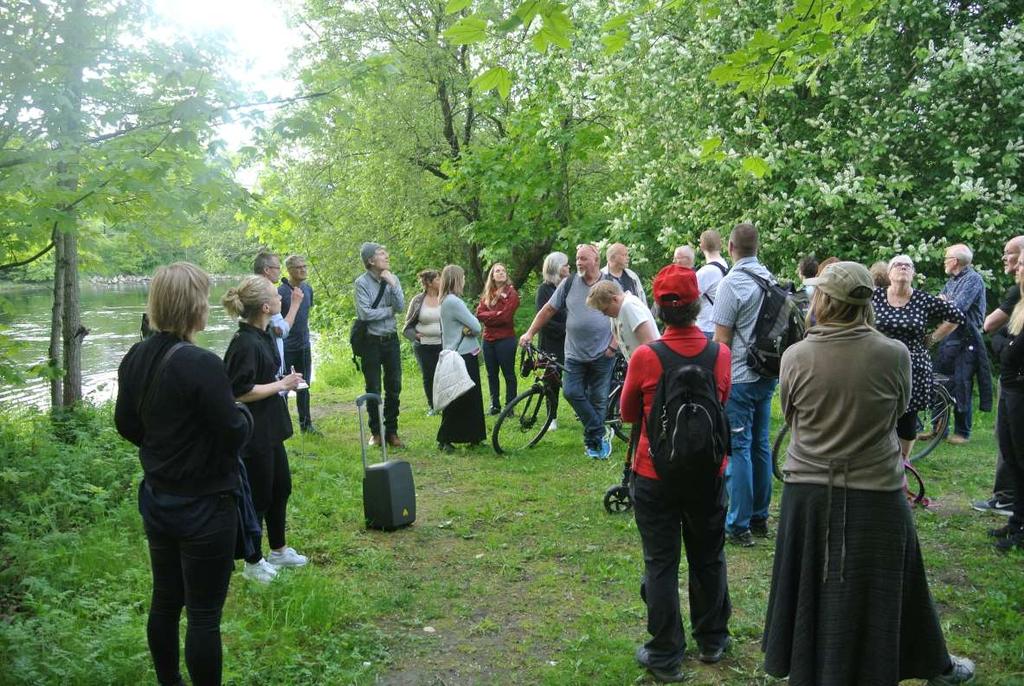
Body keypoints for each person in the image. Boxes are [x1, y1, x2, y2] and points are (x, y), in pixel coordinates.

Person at [762, 261, 975, 686]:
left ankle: (811, 665)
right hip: (876, 488)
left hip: (808, 490)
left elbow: (793, 416)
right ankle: (915, 664)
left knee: (814, 586)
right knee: (887, 588)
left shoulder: (796, 356)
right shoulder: (894, 354)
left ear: (822, 300)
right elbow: (897, 414)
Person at [115, 262, 251, 686]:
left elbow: (126, 425)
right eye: (205, 297)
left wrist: (166, 448)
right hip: (207, 505)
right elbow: (232, 433)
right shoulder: (201, 363)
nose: (208, 305)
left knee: (166, 599)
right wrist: (244, 416)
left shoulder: (135, 356)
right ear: (194, 306)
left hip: (159, 497)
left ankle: (169, 681)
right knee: (205, 614)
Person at [621, 265, 733, 684]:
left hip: (654, 473)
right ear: (697, 305)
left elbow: (629, 412)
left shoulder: (646, 357)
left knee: (661, 562)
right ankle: (712, 639)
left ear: (660, 310)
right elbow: (723, 399)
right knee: (708, 555)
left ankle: (665, 653)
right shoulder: (719, 354)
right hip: (708, 472)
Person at [223, 275, 308, 583]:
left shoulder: (264, 334)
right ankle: (252, 560)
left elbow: (265, 378)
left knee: (280, 487)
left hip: (271, 427)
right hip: (253, 431)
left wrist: (286, 382)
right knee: (258, 495)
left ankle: (279, 550)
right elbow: (237, 391)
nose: (282, 298)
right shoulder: (243, 342)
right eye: (276, 296)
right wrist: (279, 385)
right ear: (265, 306)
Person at [711, 222, 778, 546]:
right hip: (767, 374)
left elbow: (721, 341)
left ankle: (738, 525)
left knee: (739, 450)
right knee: (760, 445)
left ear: (731, 247)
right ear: (757, 246)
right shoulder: (770, 279)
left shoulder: (732, 283)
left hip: (739, 377)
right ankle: (760, 516)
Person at [520, 244, 617, 459]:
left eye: (583, 258)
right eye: (577, 259)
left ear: (596, 259)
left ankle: (594, 445)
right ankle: (599, 432)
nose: (579, 263)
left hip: (603, 353)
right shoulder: (569, 282)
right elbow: (548, 310)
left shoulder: (609, 284)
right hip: (574, 353)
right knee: (571, 392)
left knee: (598, 398)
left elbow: (622, 315)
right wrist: (529, 333)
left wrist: (613, 345)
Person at [872, 255, 964, 459]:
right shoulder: (875, 296)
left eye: (908, 265)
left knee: (907, 418)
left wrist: (933, 338)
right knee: (876, 414)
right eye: (898, 264)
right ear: (889, 273)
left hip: (912, 366)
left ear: (913, 273)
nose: (903, 267)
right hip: (878, 365)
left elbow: (957, 316)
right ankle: (878, 459)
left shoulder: (922, 299)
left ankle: (902, 464)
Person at [974, 235, 1024, 515]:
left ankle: (1007, 498)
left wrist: (1004, 344)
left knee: (1012, 441)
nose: (1006, 260)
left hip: (1017, 382)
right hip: (1011, 378)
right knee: (1006, 437)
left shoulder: (1017, 293)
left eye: (1010, 254)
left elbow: (991, 325)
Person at [933, 243, 989, 445]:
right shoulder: (951, 281)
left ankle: (962, 432)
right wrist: (945, 303)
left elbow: (956, 308)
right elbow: (940, 307)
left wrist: (945, 302)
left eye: (946, 258)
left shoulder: (973, 279)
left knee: (962, 382)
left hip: (968, 338)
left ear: (955, 261)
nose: (944, 262)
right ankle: (938, 429)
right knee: (940, 380)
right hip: (950, 337)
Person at [355, 242, 406, 448]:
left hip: (391, 339)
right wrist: (389, 311)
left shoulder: (393, 279)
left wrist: (392, 285)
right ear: (370, 260)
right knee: (373, 387)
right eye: (381, 254)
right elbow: (365, 314)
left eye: (386, 253)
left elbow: (401, 307)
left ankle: (392, 431)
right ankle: (376, 433)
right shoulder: (362, 283)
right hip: (371, 342)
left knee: (394, 387)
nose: (387, 257)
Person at [990, 259, 1024, 551]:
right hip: (1011, 388)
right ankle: (1016, 521)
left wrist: (1007, 347)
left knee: (1022, 458)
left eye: (1022, 265)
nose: (1016, 269)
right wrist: (1007, 346)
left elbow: (1012, 351)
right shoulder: (1020, 302)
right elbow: (999, 337)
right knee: (1011, 455)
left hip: (1021, 391)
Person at [437, 265, 486, 452]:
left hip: (461, 352)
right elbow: (476, 326)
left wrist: (467, 329)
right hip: (463, 354)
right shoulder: (454, 302)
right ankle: (446, 438)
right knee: (460, 397)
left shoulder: (446, 301)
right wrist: (468, 329)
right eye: (463, 277)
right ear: (457, 279)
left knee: (468, 396)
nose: (465, 280)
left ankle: (473, 436)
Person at [476, 263, 521, 415]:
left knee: (508, 374)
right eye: (497, 271)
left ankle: (510, 407)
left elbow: (506, 317)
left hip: (505, 339)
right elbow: (479, 314)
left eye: (503, 270)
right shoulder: (488, 293)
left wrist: (491, 316)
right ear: (492, 275)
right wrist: (495, 314)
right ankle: (495, 406)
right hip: (488, 340)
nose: (501, 273)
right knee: (491, 374)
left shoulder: (512, 293)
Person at [279, 255, 316, 434]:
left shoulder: (308, 289)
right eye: (298, 267)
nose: (303, 269)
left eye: (304, 266)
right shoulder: (281, 292)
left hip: (304, 345)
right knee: (283, 388)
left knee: (305, 387)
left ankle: (306, 425)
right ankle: (283, 426)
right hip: (286, 347)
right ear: (289, 270)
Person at [253, 252, 304, 379]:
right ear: (267, 270)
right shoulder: (266, 291)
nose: (280, 272)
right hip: (269, 360)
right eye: (277, 268)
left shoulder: (252, 288)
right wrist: (295, 304)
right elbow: (281, 330)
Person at [536, 251, 570, 430]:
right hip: (552, 343)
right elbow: (544, 320)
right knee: (552, 380)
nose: (569, 267)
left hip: (569, 343)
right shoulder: (544, 289)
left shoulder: (567, 287)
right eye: (565, 265)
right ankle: (552, 416)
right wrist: (566, 329)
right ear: (556, 267)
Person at [586, 280, 659, 361]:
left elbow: (649, 343)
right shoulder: (617, 311)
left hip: (649, 365)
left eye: (605, 309)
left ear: (615, 299)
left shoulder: (629, 306)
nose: (604, 314)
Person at [403, 269, 443, 415]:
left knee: (443, 374)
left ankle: (445, 404)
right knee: (429, 375)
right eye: (438, 279)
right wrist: (416, 336)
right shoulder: (418, 300)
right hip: (424, 345)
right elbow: (407, 325)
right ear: (429, 282)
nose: (441, 282)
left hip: (443, 343)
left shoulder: (446, 298)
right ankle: (432, 406)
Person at [695, 230, 729, 339]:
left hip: (706, 329)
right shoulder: (726, 266)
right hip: (721, 329)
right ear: (721, 245)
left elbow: (688, 300)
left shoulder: (705, 272)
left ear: (701, 247)